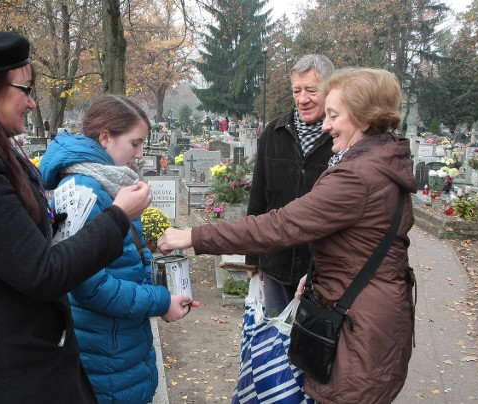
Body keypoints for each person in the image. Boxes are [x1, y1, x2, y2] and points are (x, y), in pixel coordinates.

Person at [0, 32, 151, 403]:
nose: (30, 102)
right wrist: (119, 216)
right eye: (24, 89)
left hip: (21, 355)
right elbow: (42, 272)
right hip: (4, 370)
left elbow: (13, 245)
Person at [158, 67, 416, 403]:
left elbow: (281, 225)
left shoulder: (358, 176)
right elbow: (361, 242)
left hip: (360, 324)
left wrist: (193, 236)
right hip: (373, 311)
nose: (325, 124)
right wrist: (317, 273)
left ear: (365, 119)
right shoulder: (380, 159)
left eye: (335, 115)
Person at [39, 95, 195, 404]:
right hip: (104, 354)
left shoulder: (106, 183)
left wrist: (161, 278)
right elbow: (91, 287)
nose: (139, 154)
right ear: (105, 136)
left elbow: (125, 258)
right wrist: (162, 301)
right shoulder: (86, 190)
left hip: (117, 344)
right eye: (134, 144)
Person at [246, 54, 335, 315]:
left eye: (311, 90)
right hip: (276, 260)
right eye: (297, 90)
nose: (302, 98)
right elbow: (259, 197)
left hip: (320, 267)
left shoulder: (340, 138)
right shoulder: (274, 133)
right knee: (275, 342)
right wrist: (253, 256)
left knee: (312, 348)